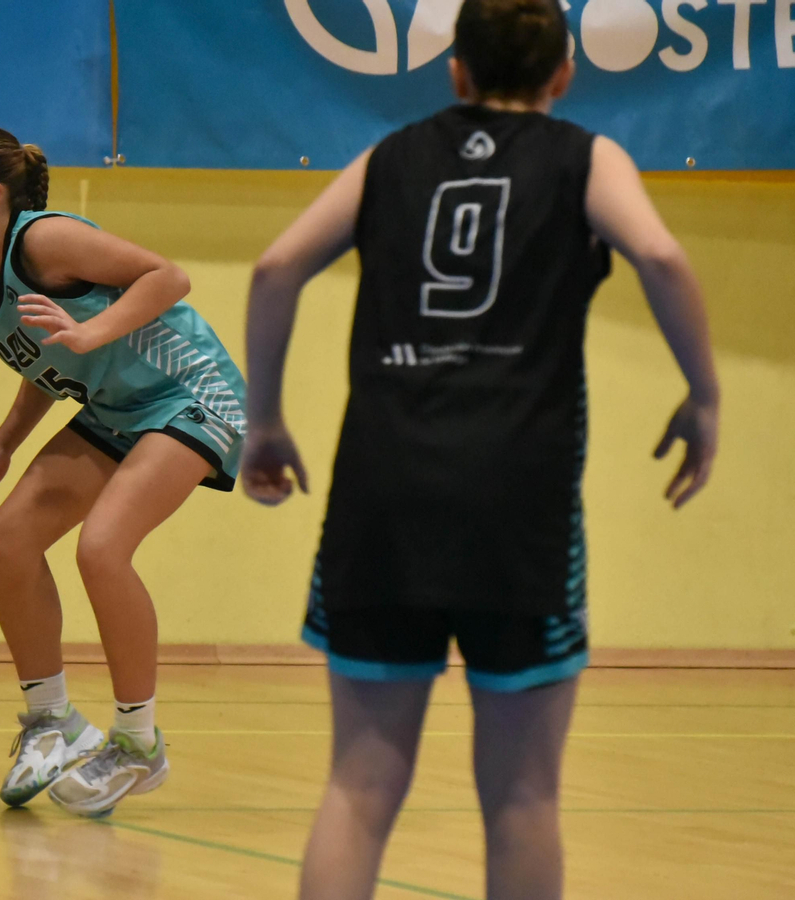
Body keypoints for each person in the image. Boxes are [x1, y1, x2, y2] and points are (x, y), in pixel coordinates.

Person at [241, 1, 719, 896]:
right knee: (523, 799)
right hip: (520, 502)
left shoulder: (389, 158)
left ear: (454, 70)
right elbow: (659, 254)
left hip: (383, 489)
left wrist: (264, 421)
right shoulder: (587, 156)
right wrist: (705, 393)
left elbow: (275, 269)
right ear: (562, 75)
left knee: (358, 787)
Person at [0, 123, 248, 816]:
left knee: (102, 548)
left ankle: (137, 743)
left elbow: (169, 276)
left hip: (191, 394)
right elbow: (50, 363)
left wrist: (94, 330)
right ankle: (53, 723)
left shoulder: (43, 238)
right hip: (117, 409)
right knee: (6, 541)